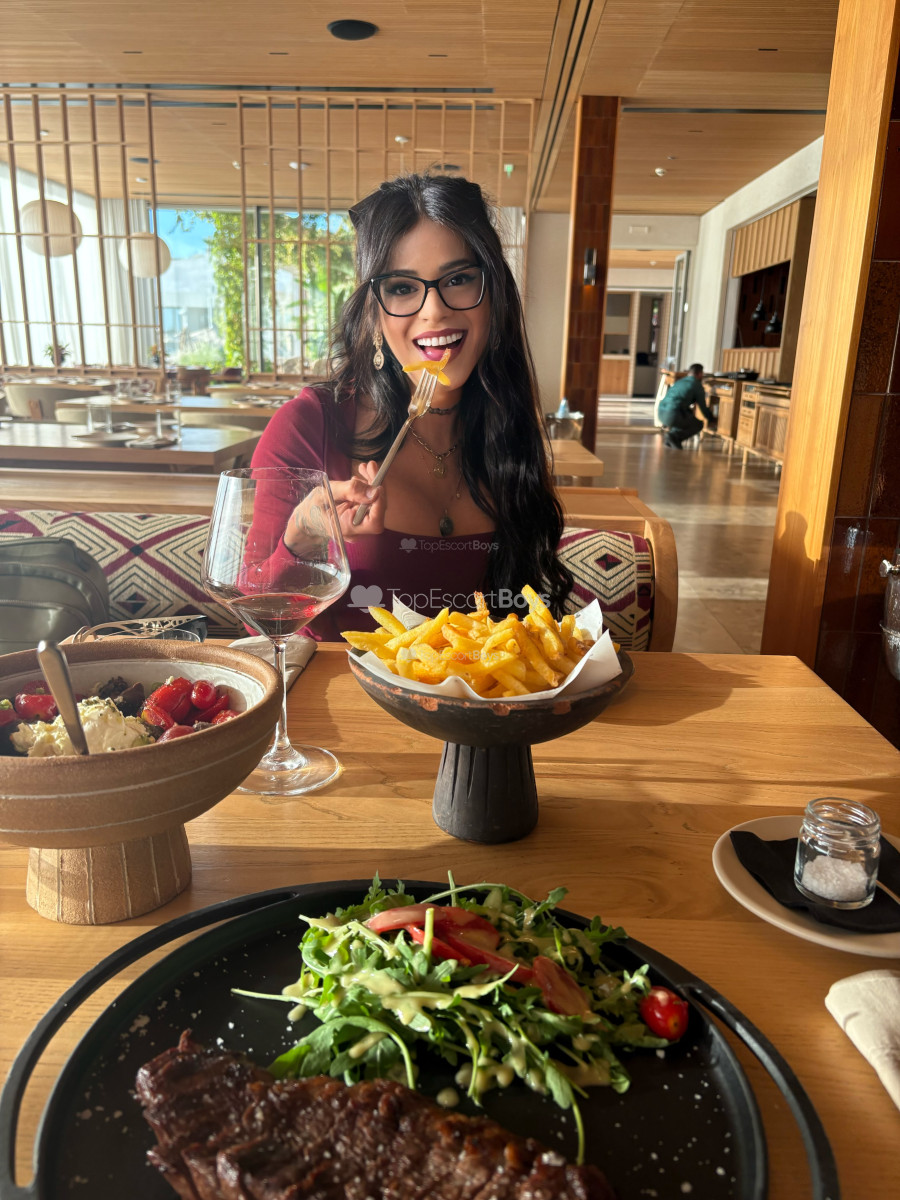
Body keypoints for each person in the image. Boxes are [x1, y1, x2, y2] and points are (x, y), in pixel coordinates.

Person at [250, 172, 572, 640]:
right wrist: (302, 535)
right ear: (374, 314)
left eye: (458, 279)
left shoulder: (509, 430)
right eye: (402, 287)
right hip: (342, 688)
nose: (434, 310)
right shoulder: (309, 426)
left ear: (494, 297)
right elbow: (257, 614)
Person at [657, 363, 714, 449]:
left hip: (661, 413)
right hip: (672, 415)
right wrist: (711, 419)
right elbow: (703, 407)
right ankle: (674, 437)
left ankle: (671, 438)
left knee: (687, 415)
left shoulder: (680, 381)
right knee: (698, 424)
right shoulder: (697, 385)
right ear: (700, 374)